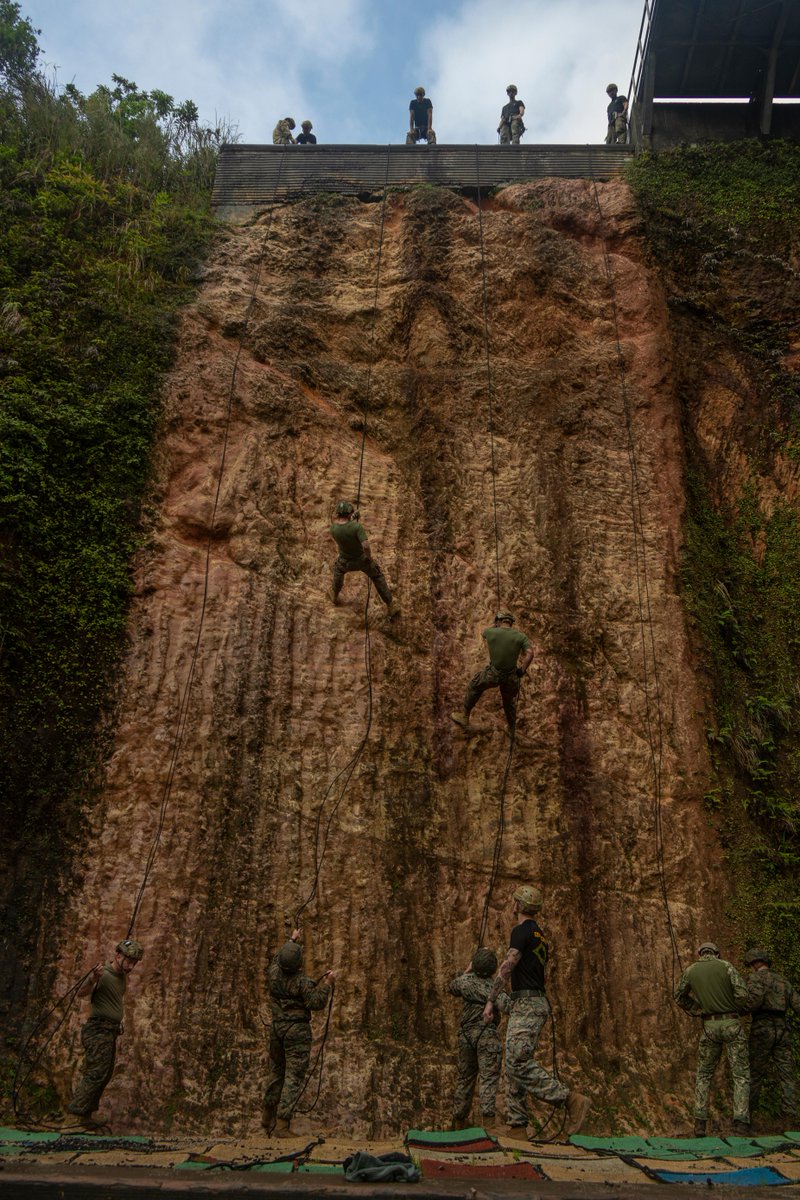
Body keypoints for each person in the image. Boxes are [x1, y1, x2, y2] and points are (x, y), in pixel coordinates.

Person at [483, 886, 590, 1137]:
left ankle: (569, 1099)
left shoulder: (521, 931)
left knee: (517, 1062)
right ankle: (517, 1125)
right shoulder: (539, 935)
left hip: (528, 1005)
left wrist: (491, 1000)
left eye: (514, 901)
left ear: (518, 905)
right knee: (513, 1062)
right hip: (530, 1002)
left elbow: (508, 966)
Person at [63, 937, 144, 1130]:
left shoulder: (121, 976)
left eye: (134, 962)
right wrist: (93, 977)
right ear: (118, 956)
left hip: (109, 1031)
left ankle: (86, 1114)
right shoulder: (104, 974)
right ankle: (74, 1116)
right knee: (96, 1072)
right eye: (129, 960)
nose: (131, 966)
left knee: (105, 1073)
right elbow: (82, 992)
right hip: (98, 1029)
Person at [262, 929, 336, 1137]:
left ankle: (267, 1117)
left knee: (276, 1071)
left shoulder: (273, 973)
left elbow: (278, 958)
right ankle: (282, 1125)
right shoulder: (302, 982)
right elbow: (316, 1002)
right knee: (293, 1076)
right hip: (296, 1031)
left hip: (277, 1029)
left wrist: (291, 939)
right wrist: (328, 984)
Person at [674, 941, 750, 1135]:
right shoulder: (726, 966)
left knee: (704, 1074)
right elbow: (742, 993)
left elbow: (679, 996)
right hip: (732, 1023)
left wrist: (697, 1009)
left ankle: (700, 1123)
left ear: (700, 953)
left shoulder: (691, 970)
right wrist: (734, 1007)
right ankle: (740, 1123)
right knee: (740, 1075)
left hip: (709, 1026)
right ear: (716, 953)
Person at [448, 948, 509, 1133]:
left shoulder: (465, 982)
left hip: (466, 1037)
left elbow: (452, 986)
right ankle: (489, 1126)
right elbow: (506, 1006)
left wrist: (467, 971)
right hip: (487, 1035)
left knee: (464, 1079)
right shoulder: (494, 988)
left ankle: (458, 1123)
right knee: (488, 1080)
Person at [743, 947, 800, 1121]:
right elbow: (797, 1005)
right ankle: (790, 1117)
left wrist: (739, 1011)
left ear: (754, 962)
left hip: (762, 1027)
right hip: (782, 1029)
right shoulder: (783, 981)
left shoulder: (754, 979)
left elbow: (753, 1002)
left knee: (755, 1072)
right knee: (787, 1074)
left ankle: (749, 1116)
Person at [451, 612, 533, 732]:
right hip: (511, 676)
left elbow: (483, 633)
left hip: (494, 673)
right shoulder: (521, 636)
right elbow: (530, 654)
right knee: (509, 701)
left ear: (499, 621)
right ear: (511, 622)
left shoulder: (490, 632)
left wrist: (495, 626)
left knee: (474, 686)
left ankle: (464, 716)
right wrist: (521, 670)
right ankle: (511, 727)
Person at [330, 501, 399, 617]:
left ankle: (334, 595)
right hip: (361, 560)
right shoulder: (356, 527)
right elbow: (365, 546)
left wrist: (352, 518)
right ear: (349, 513)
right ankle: (390, 605)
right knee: (377, 576)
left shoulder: (333, 529)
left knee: (338, 573)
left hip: (345, 561)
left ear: (337, 514)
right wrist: (369, 558)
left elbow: (344, 527)